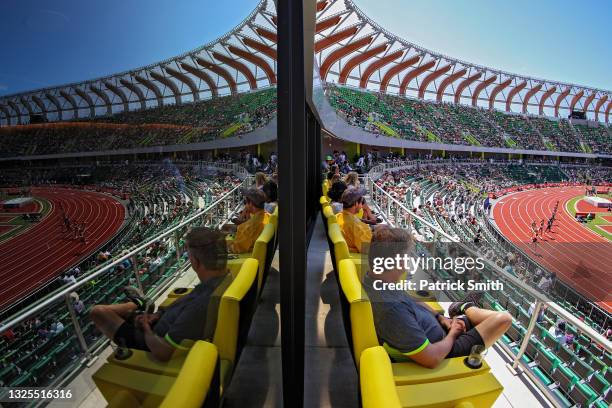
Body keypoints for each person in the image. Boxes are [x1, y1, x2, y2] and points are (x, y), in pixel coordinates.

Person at [364, 226, 512, 368]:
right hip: (446, 348)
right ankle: (464, 307)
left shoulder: (377, 279)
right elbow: (431, 358)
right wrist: (453, 334)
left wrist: (440, 317)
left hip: (441, 328)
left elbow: (411, 299)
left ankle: (463, 308)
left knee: (491, 320)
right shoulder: (391, 310)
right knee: (504, 319)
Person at [90, 227, 230, 361]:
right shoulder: (222, 279)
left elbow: (163, 352)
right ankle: (138, 306)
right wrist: (159, 314)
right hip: (160, 323)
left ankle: (137, 304)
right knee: (124, 314)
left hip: (151, 340)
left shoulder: (199, 306)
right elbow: (187, 302)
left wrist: (146, 328)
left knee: (98, 312)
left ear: (196, 261)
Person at [227, 188, 268, 254]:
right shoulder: (265, 216)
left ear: (251, 203)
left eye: (245, 202)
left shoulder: (252, 226)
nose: (245, 205)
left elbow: (237, 248)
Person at [337, 188, 372, 253]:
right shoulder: (356, 227)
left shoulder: (337, 216)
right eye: (362, 202)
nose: (362, 206)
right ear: (356, 203)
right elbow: (368, 250)